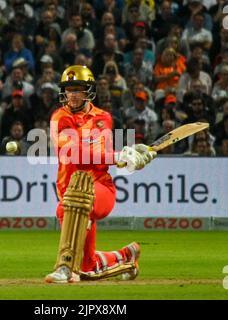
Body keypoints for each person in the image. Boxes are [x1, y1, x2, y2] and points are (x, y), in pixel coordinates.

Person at [45, 65, 157, 283]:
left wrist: (135, 159)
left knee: (73, 202)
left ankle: (64, 267)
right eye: (68, 89)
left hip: (100, 189)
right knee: (87, 267)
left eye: (78, 89)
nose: (72, 94)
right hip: (71, 191)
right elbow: (73, 154)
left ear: (89, 90)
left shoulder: (102, 117)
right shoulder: (59, 118)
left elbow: (100, 155)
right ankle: (126, 256)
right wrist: (118, 156)